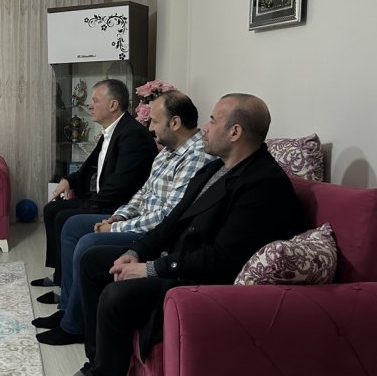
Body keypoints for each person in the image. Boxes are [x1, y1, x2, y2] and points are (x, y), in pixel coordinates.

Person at [75, 93, 305, 376]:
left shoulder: (263, 184)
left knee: (116, 294)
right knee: (93, 260)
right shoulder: (215, 167)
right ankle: (97, 363)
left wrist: (149, 268)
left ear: (235, 132)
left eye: (213, 120)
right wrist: (136, 251)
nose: (204, 127)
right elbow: (172, 221)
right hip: (178, 257)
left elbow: (222, 259)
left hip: (201, 279)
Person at [33, 91, 216, 345]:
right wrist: (117, 217)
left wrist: (115, 228)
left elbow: (168, 216)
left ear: (175, 123)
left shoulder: (196, 156)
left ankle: (74, 325)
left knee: (88, 242)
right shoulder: (168, 151)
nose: (150, 128)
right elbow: (143, 192)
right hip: (135, 218)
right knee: (73, 225)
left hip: (155, 233)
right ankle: (67, 308)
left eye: (154, 121)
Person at [32, 79, 157, 298]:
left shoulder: (133, 135)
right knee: (51, 210)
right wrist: (68, 180)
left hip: (117, 204)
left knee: (63, 217)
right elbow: (89, 165)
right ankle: (60, 275)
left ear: (113, 105)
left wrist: (91, 204)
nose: (90, 105)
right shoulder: (113, 130)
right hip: (103, 196)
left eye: (95, 100)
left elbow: (122, 185)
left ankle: (66, 290)